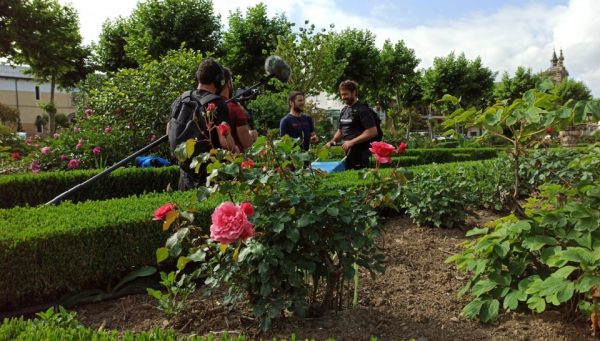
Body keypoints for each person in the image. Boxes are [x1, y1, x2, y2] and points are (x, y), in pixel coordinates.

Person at [169, 58, 238, 191]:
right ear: (219, 80)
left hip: (184, 177)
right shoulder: (217, 103)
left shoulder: (180, 99)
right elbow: (226, 143)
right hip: (209, 179)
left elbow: (169, 133)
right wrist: (235, 149)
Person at [325, 80, 377, 170]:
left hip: (361, 153)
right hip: (347, 152)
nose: (343, 97)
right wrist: (333, 141)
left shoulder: (363, 110)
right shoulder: (344, 110)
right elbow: (341, 130)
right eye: (342, 94)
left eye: (346, 94)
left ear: (354, 92)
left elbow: (372, 131)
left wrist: (352, 142)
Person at [221, 68, 257, 152]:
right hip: (236, 160)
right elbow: (247, 145)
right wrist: (252, 135)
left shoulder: (208, 105)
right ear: (228, 83)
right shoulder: (234, 108)